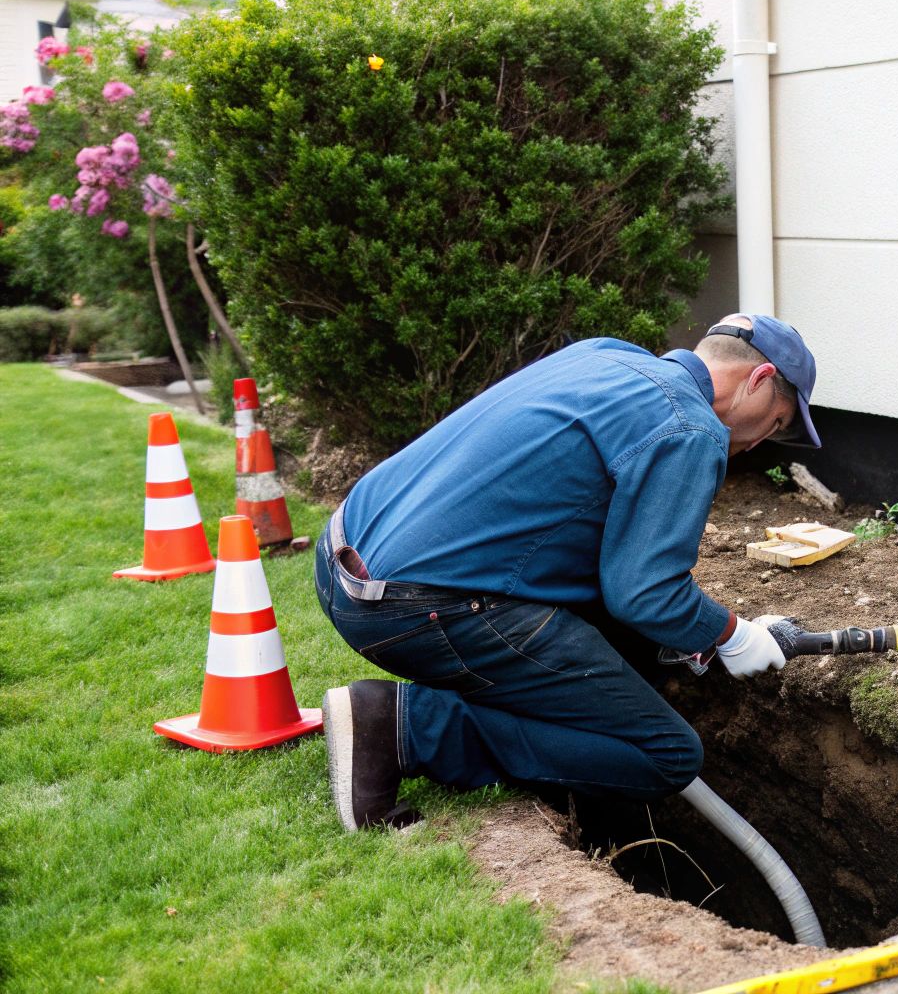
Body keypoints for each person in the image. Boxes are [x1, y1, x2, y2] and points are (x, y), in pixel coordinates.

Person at [313, 314, 819, 831]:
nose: (761, 443)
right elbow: (645, 595)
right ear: (758, 380)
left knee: (627, 651)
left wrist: (690, 637)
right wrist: (734, 636)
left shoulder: (602, 353)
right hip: (412, 605)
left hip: (339, 561)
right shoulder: (690, 428)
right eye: (776, 423)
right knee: (666, 752)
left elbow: (604, 553)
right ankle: (402, 728)